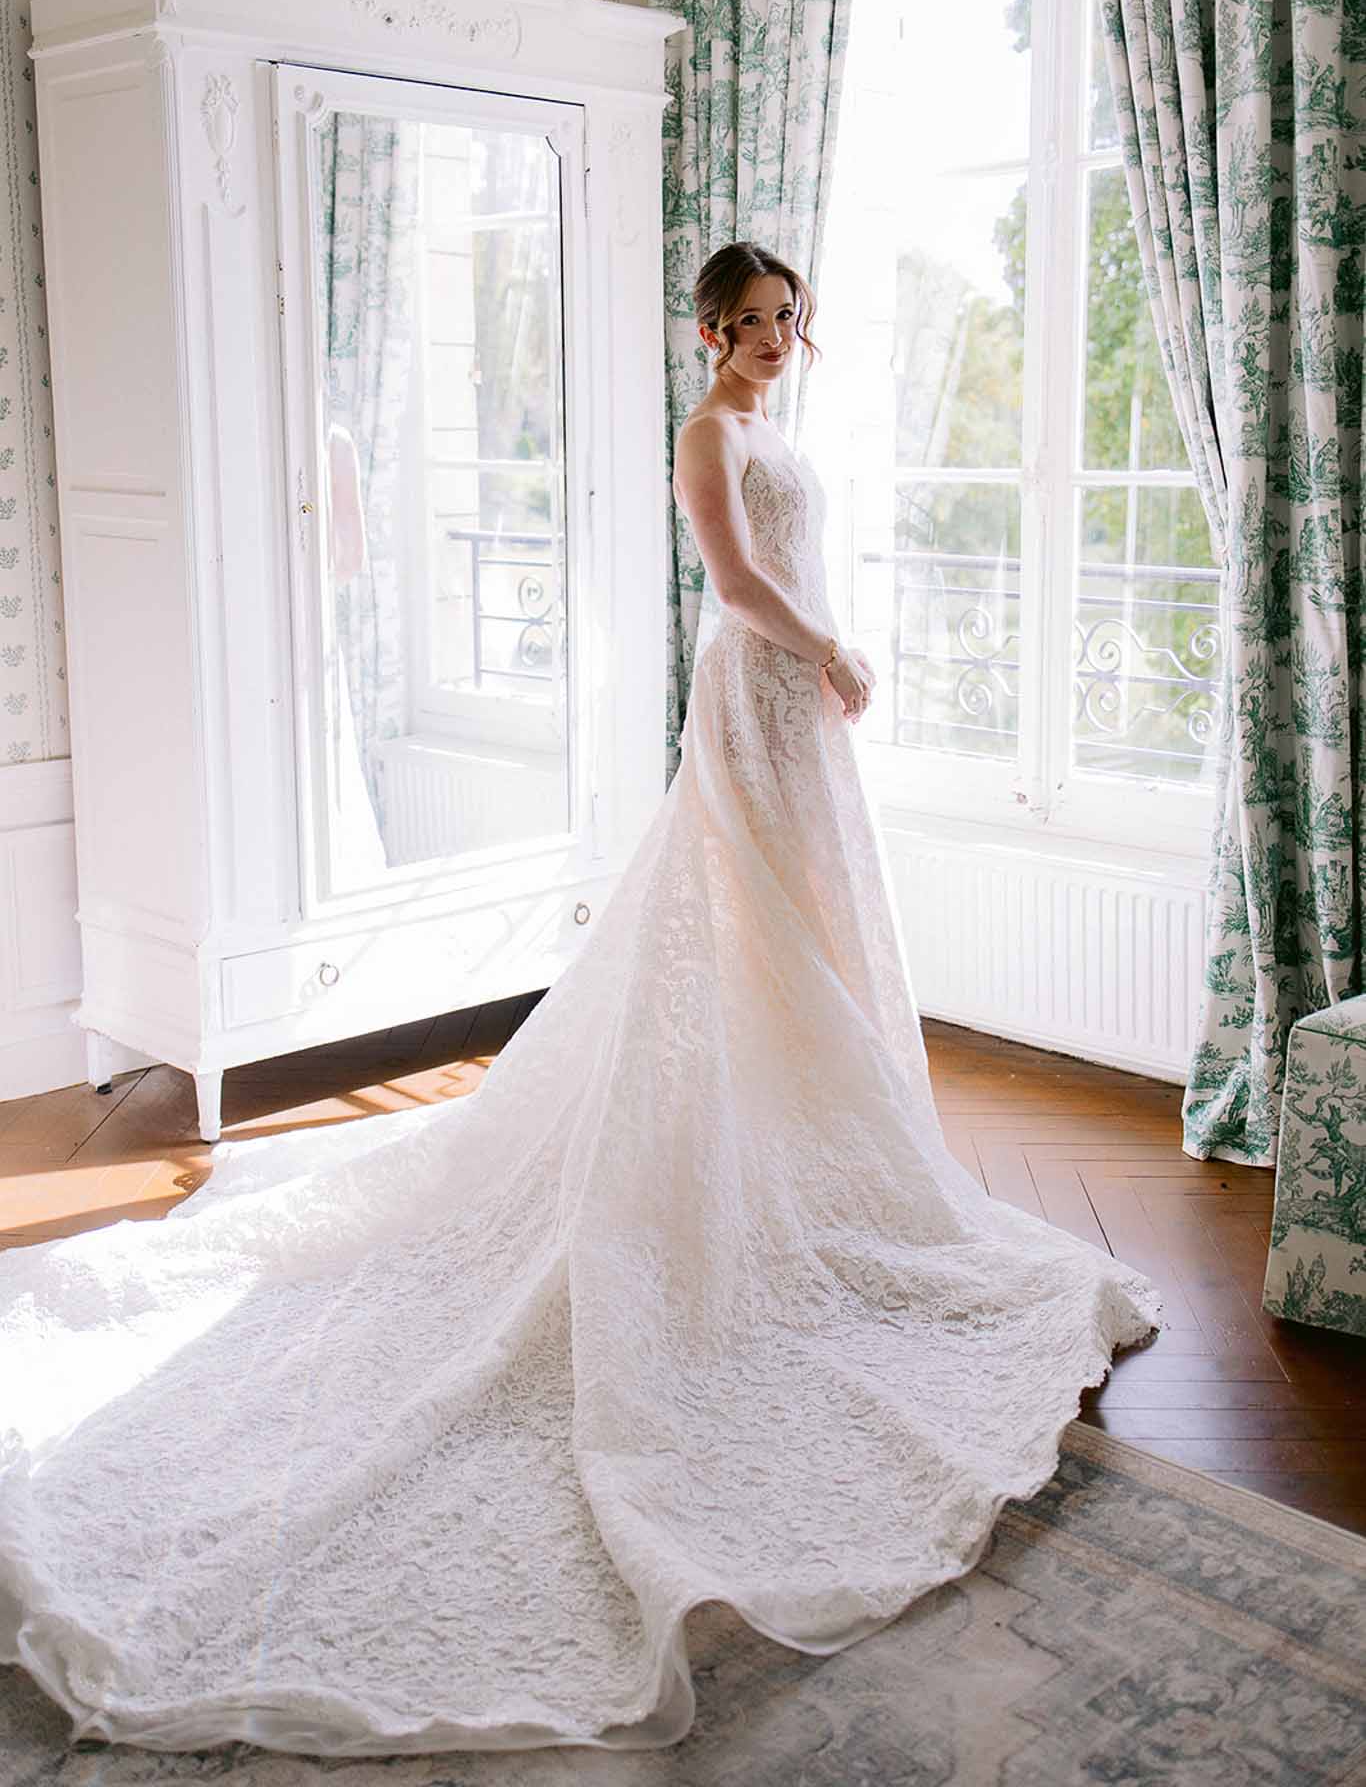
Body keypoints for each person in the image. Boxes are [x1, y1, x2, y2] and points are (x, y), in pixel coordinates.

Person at [0, 242, 1163, 1759]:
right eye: (746, 325)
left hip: (798, 700)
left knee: (804, 936)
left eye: (782, 321)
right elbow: (742, 585)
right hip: (760, 689)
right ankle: (713, 1152)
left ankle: (796, 1152)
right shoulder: (705, 434)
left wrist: (829, 659)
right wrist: (834, 655)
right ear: (706, 330)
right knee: (743, 927)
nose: (768, 342)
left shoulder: (778, 426)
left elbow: (789, 558)